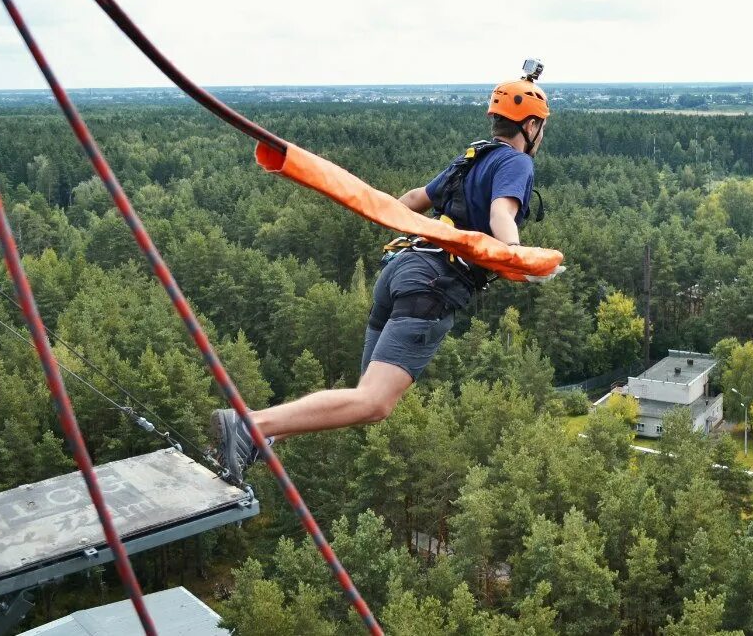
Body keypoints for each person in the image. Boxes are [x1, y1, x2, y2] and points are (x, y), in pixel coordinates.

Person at [212, 64, 560, 482]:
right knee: (374, 403)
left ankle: (260, 434)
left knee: (365, 394)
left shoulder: (471, 158)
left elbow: (414, 199)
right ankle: (251, 426)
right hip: (434, 285)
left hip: (401, 272)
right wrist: (518, 256)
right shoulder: (516, 163)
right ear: (532, 125)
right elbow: (500, 212)